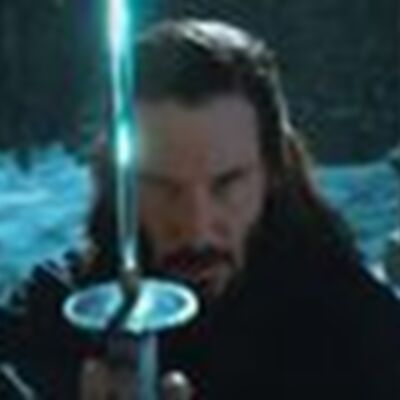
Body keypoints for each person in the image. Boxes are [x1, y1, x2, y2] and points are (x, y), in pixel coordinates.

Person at [1, 19, 400, 399]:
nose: (196, 228)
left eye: (227, 185)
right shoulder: (47, 323)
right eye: (162, 187)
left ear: (274, 172)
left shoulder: (360, 336)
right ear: (116, 183)